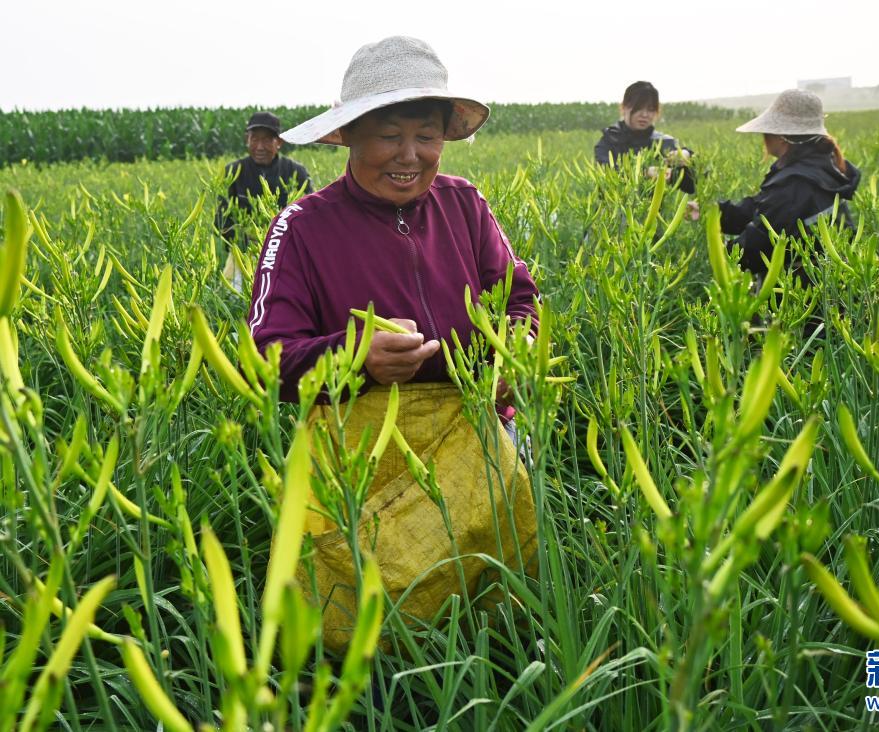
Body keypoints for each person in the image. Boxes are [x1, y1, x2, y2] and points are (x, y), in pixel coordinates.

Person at [248, 36, 538, 651]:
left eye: (426, 136)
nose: (410, 155)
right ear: (349, 135)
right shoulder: (300, 228)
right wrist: (356, 357)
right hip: (360, 459)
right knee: (361, 626)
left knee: (495, 613)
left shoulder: (465, 205)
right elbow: (267, 357)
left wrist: (516, 345)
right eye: (388, 136)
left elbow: (519, 297)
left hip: (480, 438)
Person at [719, 89, 861, 287]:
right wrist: (714, 213)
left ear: (781, 136)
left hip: (801, 293)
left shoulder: (795, 182)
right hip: (831, 286)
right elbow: (765, 209)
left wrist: (721, 252)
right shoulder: (823, 166)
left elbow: (759, 245)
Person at [215, 111, 313, 245]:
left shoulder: (296, 171)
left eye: (267, 140)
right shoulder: (231, 172)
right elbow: (221, 220)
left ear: (279, 142)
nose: (260, 147)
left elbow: (310, 216)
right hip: (242, 250)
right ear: (247, 140)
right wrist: (248, 240)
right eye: (254, 139)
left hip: (287, 248)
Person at [594, 81, 697, 195]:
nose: (644, 114)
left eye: (650, 109)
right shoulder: (609, 141)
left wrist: (687, 155)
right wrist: (645, 173)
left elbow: (692, 185)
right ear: (624, 107)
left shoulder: (664, 142)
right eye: (638, 108)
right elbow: (607, 178)